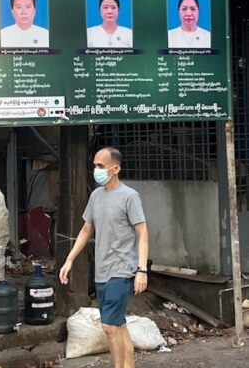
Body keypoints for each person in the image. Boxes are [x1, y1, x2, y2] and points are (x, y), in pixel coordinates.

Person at [59, 147, 148, 368]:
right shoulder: (96, 196)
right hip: (102, 271)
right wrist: (69, 259)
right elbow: (86, 229)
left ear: (115, 168)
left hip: (123, 269)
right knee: (118, 324)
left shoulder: (129, 196)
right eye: (95, 165)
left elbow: (143, 232)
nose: (96, 170)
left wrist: (141, 270)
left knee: (108, 327)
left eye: (101, 166)